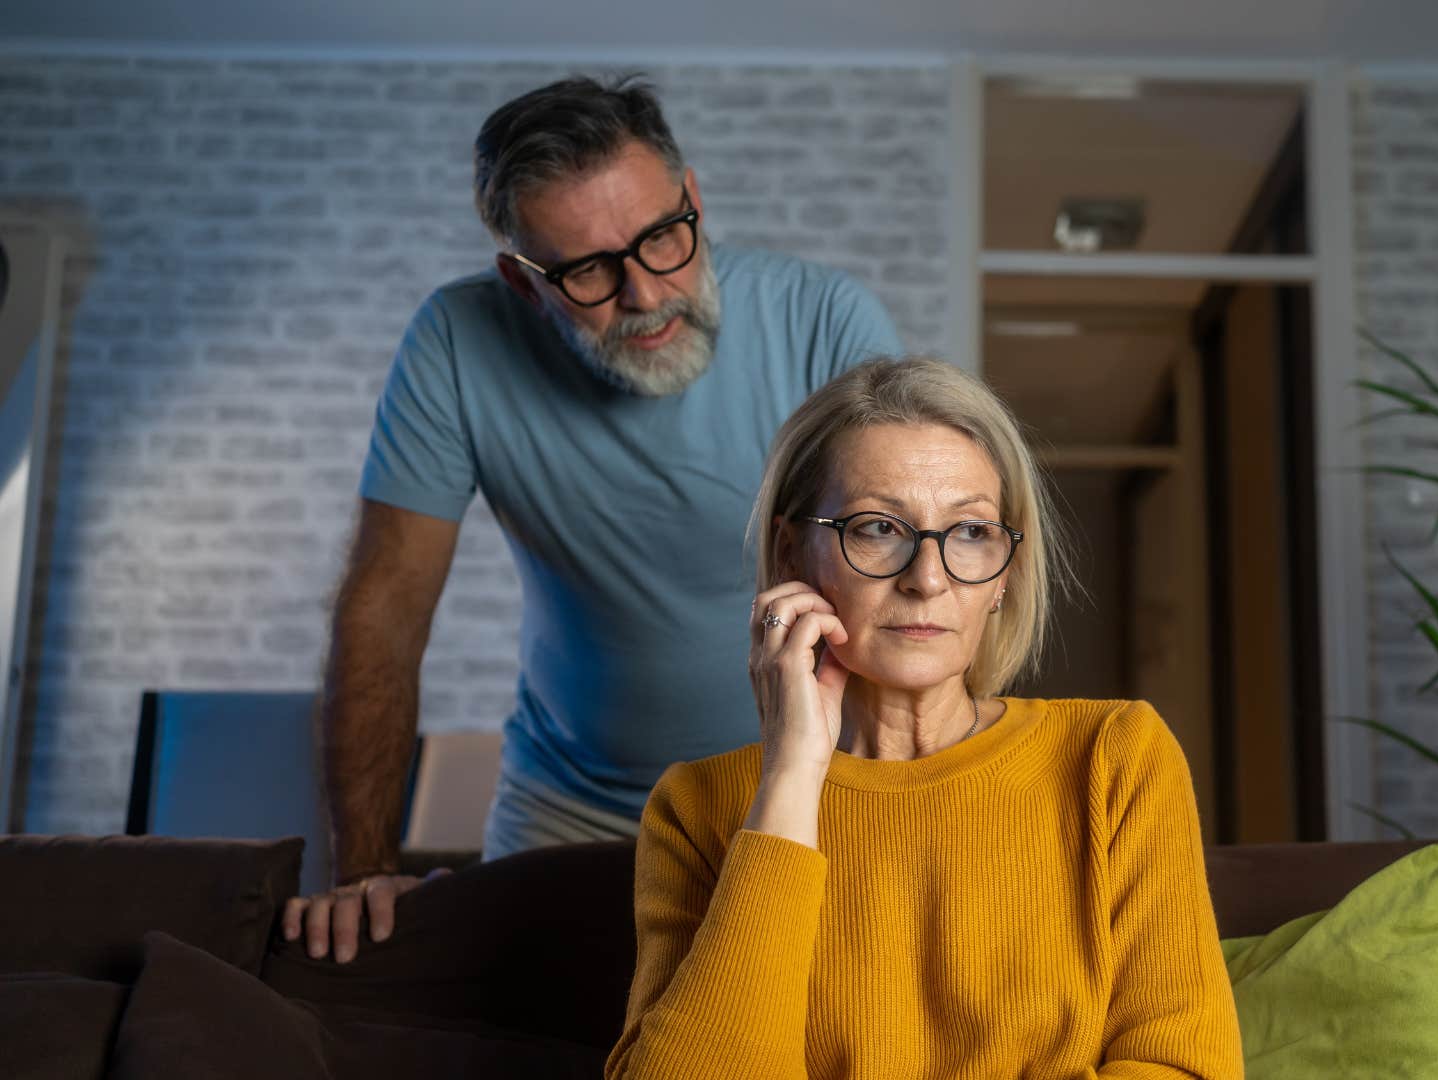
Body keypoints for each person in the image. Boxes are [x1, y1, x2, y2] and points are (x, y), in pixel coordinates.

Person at [281, 74, 903, 963]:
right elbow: (386, 608)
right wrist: (363, 871)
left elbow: (907, 583)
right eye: (586, 271)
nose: (645, 294)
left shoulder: (825, 320)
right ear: (523, 282)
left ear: (694, 201)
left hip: (810, 784)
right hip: (567, 804)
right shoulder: (455, 341)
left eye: (662, 239)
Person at [604, 358, 1242, 1079]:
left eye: (970, 531)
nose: (928, 578)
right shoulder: (695, 807)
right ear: (793, 553)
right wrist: (791, 776)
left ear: (1004, 574)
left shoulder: (1113, 756)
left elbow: (1182, 1066)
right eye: (879, 527)